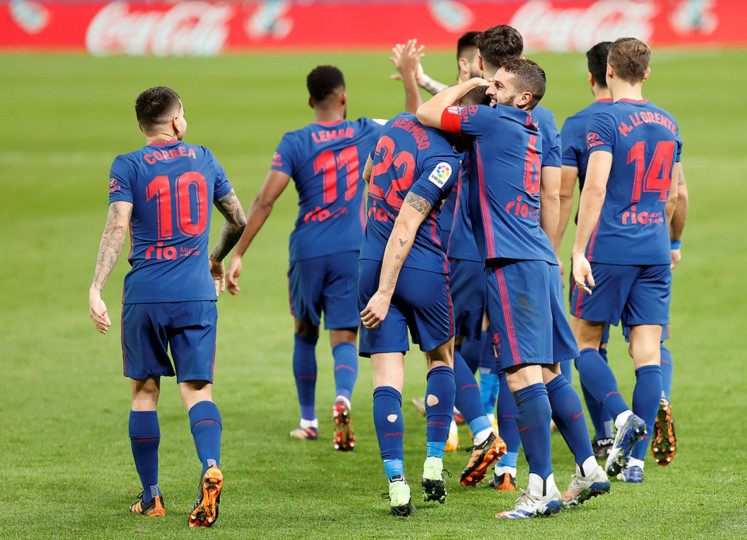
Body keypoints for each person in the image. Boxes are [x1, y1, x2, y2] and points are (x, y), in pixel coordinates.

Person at [417, 58, 610, 518]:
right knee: (549, 373)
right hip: (540, 257)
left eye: (498, 84)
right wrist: (486, 86)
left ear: (522, 97)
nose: (489, 89)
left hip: (511, 263)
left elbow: (428, 114)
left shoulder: (492, 119)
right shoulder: (528, 126)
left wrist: (469, 81)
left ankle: (540, 487)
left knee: (522, 374)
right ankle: (587, 467)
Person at [88, 86, 246, 528]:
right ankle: (210, 465)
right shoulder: (204, 157)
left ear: (142, 127)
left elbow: (117, 225)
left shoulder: (128, 165)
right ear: (178, 122)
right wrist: (214, 260)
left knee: (144, 392)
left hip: (145, 294)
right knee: (198, 390)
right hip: (196, 292)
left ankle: (152, 496)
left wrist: (96, 287)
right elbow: (239, 220)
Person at [226, 66, 383, 451]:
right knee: (345, 333)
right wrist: (412, 78)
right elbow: (414, 117)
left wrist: (238, 252)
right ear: (343, 97)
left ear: (311, 101)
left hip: (308, 250)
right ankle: (343, 396)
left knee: (304, 332)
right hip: (353, 248)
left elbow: (265, 200)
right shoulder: (367, 130)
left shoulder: (294, 142)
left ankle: (308, 421)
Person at [391, 34, 506, 476]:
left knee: (441, 347)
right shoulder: (504, 119)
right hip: (487, 246)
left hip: (448, 246)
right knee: (466, 342)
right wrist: (419, 78)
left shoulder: (457, 123)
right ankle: (481, 434)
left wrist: (414, 81)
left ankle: (476, 429)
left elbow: (423, 117)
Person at [358, 93, 477, 515]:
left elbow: (370, 176)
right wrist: (388, 289)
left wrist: (371, 247)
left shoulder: (396, 122)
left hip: (371, 261)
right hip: (419, 268)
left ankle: (396, 486)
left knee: (385, 379)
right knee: (440, 361)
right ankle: (432, 462)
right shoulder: (446, 159)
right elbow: (408, 223)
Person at [570, 37, 683, 483]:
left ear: (609, 71)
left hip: (610, 246)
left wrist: (579, 250)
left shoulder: (603, 117)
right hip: (654, 245)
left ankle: (619, 416)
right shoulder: (669, 122)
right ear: (647, 73)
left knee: (583, 342)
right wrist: (662, 238)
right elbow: (673, 193)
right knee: (648, 353)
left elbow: (594, 187)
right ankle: (635, 462)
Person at [472, 23, 567, 493]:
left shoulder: (480, 111)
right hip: (531, 249)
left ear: (477, 64)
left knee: (505, 360)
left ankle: (515, 464)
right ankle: (514, 461)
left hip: (480, 249)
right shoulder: (542, 117)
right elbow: (553, 195)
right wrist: (548, 253)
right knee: (527, 361)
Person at [559, 41, 617, 459]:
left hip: (595, 246)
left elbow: (563, 194)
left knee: (585, 343)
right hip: (645, 243)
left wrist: (554, 247)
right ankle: (629, 428)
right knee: (643, 344)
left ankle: (607, 429)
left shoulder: (578, 123)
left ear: (593, 76)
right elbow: (674, 192)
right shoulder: (654, 120)